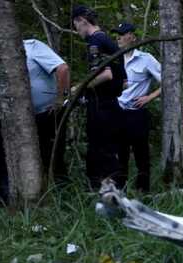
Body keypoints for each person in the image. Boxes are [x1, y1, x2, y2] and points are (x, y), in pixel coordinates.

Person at [72, 5, 126, 190]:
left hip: (101, 106)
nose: (76, 30)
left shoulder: (95, 42)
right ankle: (113, 192)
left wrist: (80, 88)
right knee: (109, 150)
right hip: (112, 105)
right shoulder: (110, 42)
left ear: (81, 20)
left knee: (100, 150)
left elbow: (106, 74)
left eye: (75, 25)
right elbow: (124, 81)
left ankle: (106, 194)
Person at [113, 22, 161, 193]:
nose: (118, 37)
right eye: (117, 34)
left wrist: (150, 96)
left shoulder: (145, 59)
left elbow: (167, 80)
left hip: (137, 115)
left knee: (142, 156)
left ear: (132, 36)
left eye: (122, 33)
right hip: (117, 113)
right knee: (120, 156)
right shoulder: (114, 58)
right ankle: (120, 194)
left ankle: (144, 193)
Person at [23, 39, 70, 183]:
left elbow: (63, 68)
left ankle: (62, 193)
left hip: (48, 113)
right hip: (23, 119)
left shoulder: (32, 46)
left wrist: (60, 99)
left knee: (53, 156)